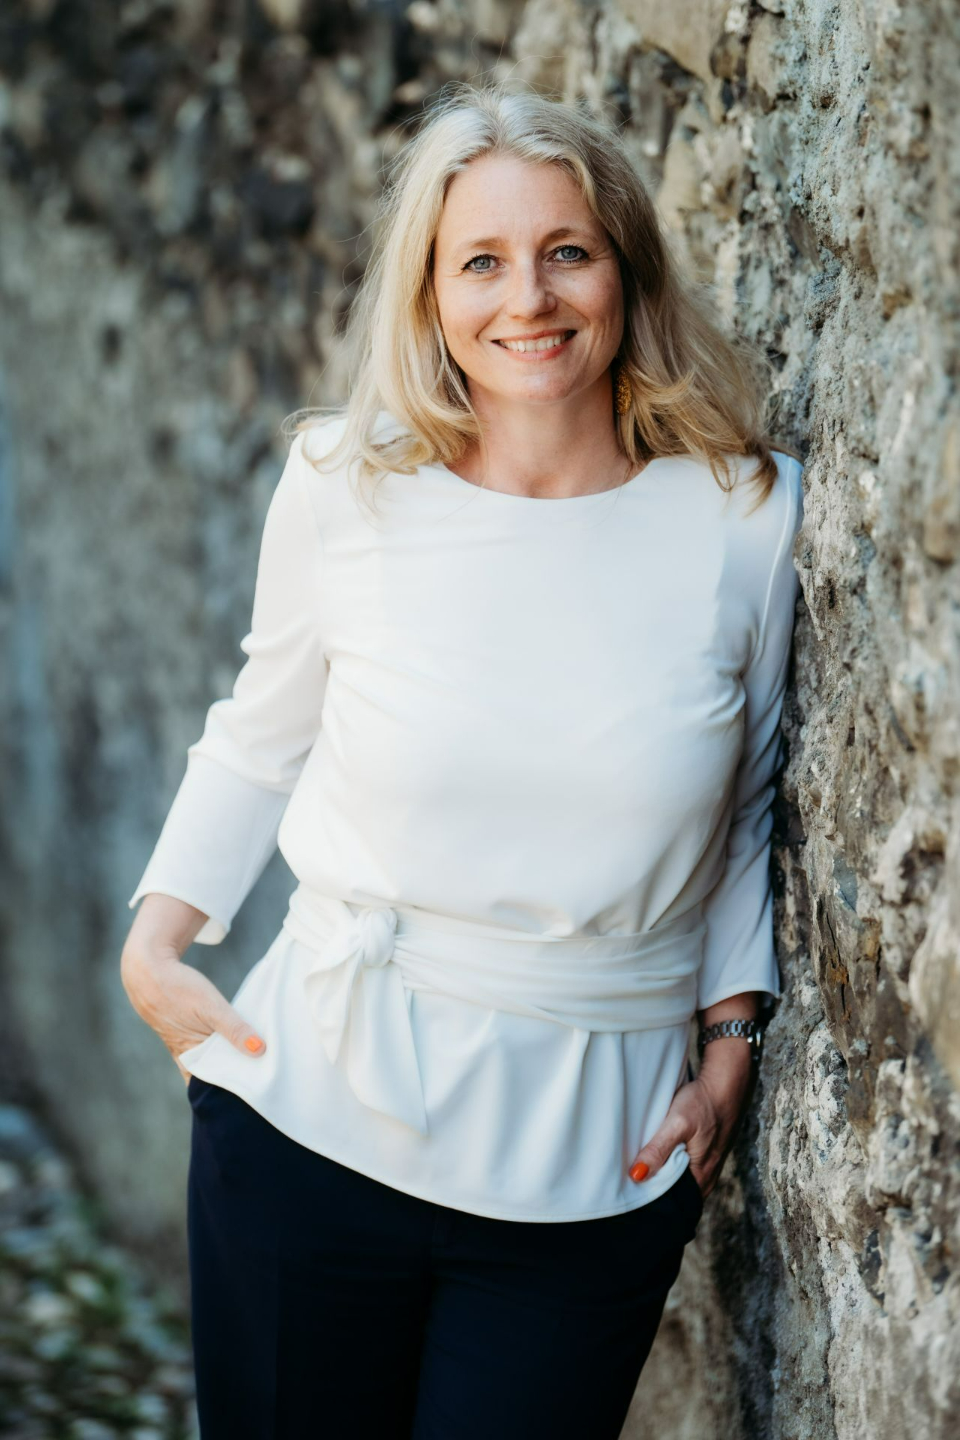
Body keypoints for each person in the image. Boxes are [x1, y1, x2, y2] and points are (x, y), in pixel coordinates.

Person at [120, 79, 804, 1440]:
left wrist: (732, 1034)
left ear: (626, 271)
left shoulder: (743, 519)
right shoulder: (344, 486)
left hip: (593, 1167)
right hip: (309, 1120)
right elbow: (259, 736)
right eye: (480, 261)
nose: (527, 299)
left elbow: (745, 801)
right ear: (431, 297)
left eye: (567, 251)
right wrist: (155, 950)